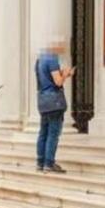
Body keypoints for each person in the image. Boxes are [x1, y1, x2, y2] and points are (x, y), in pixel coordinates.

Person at [35, 39, 74, 173]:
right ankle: (49, 163)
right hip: (54, 101)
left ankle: (40, 162)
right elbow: (57, 82)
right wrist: (67, 74)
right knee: (53, 133)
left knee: (43, 132)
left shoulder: (39, 60)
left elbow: (45, 80)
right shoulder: (52, 58)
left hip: (42, 101)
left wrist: (60, 74)